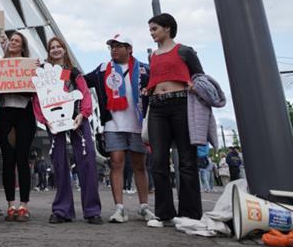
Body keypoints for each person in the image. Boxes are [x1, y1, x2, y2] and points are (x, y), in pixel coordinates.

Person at [85, 34, 155, 224]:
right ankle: (119, 209)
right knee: (116, 163)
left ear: (129, 49)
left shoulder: (144, 70)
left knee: (140, 165)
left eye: (118, 46)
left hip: (138, 125)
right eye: (112, 47)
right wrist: (58, 74)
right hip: (113, 124)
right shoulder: (102, 69)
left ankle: (144, 207)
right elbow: (82, 81)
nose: (114, 50)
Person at [33, 36, 103, 224]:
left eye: (59, 46)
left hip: (77, 118)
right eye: (52, 47)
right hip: (54, 121)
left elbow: (85, 93)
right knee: (59, 162)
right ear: (48, 52)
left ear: (64, 49)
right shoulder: (42, 73)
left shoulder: (73, 72)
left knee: (87, 160)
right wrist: (44, 119)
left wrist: (84, 114)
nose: (56, 49)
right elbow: (38, 98)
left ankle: (92, 210)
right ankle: (62, 210)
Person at [145, 13, 205, 227]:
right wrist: (148, 89)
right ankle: (164, 213)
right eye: (150, 29)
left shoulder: (185, 51)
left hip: (181, 104)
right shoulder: (153, 56)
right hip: (157, 107)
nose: (151, 33)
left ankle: (190, 214)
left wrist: (194, 87)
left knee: (187, 160)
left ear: (167, 28)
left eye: (154, 28)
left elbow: (200, 77)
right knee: (158, 160)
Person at [0, 31, 38, 222]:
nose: (13, 42)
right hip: (5, 113)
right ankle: (10, 205)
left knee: (22, 159)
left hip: (24, 115)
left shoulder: (30, 66)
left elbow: (33, 91)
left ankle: (24, 206)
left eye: (16, 41)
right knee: (8, 160)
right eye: (11, 40)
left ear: (22, 46)